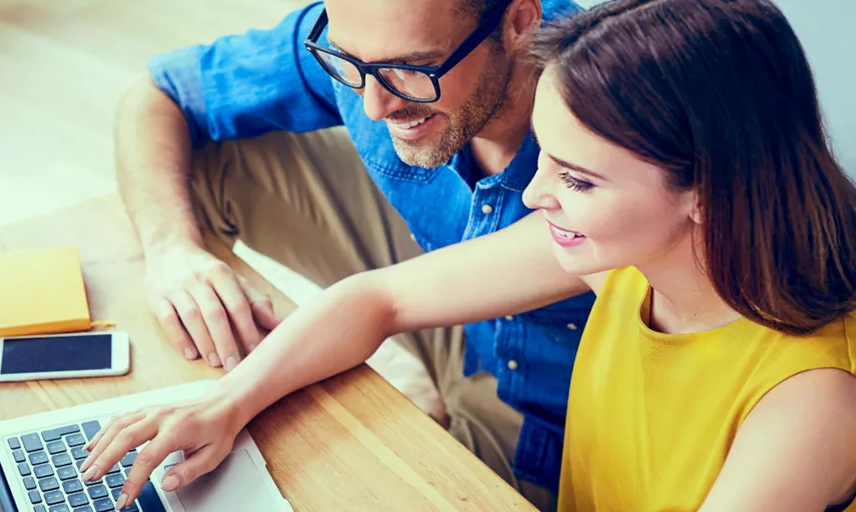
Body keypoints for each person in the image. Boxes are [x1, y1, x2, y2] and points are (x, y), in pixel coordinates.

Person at [86, 0, 856, 509]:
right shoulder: (624, 254)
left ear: (702, 187)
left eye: (577, 177)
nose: (530, 196)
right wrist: (224, 404)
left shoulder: (815, 399)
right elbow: (374, 300)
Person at [118, 0, 595, 504]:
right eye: (350, 61)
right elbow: (156, 92)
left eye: (411, 69)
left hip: (554, 404)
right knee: (202, 163)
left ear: (519, 21)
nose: (373, 108)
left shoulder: (613, 117)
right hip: (445, 302)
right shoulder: (367, 33)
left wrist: (233, 400)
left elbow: (381, 302)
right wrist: (172, 250)